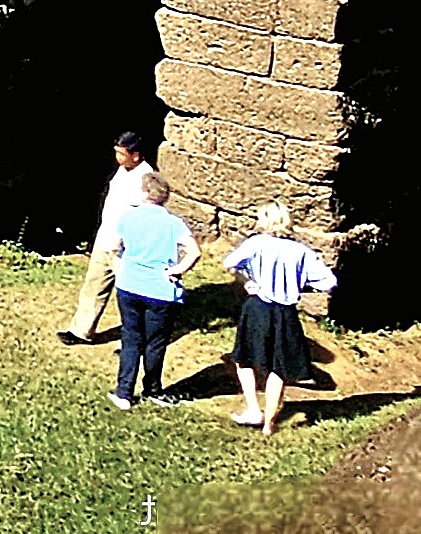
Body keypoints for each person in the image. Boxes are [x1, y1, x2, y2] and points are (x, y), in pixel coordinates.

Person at [224, 204, 337, 434]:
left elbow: (229, 263)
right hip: (286, 312)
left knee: (244, 359)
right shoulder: (300, 251)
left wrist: (245, 281)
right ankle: (269, 422)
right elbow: (329, 282)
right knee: (279, 366)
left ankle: (254, 409)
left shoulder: (256, 243)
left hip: (258, 308)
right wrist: (297, 283)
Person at [110, 175, 200, 410]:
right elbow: (194, 252)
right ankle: (153, 389)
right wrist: (177, 270)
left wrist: (122, 266)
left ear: (144, 193)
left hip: (129, 286)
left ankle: (124, 392)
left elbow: (114, 246)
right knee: (155, 342)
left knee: (131, 338)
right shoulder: (174, 223)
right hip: (161, 290)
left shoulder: (128, 217)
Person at [60, 132, 159, 344]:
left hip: (126, 244)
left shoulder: (146, 177)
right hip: (106, 236)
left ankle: (135, 340)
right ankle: (81, 330)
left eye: (122, 154)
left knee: (131, 294)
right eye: (116, 153)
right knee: (94, 283)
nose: (118, 158)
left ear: (136, 155)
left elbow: (143, 214)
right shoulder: (122, 171)